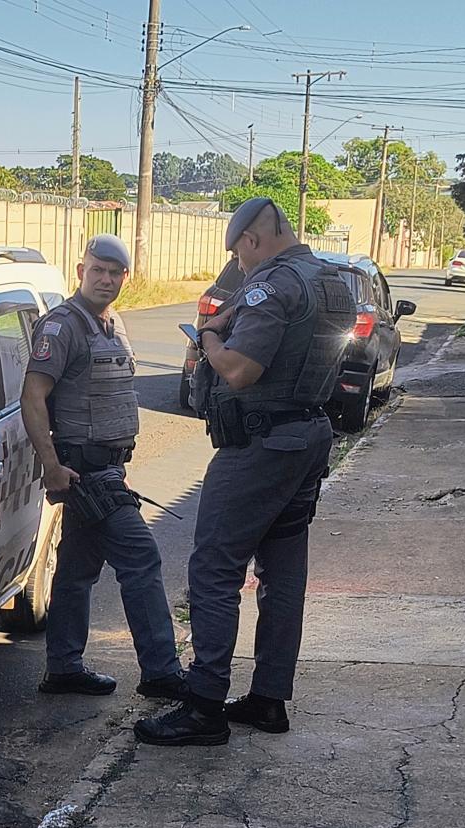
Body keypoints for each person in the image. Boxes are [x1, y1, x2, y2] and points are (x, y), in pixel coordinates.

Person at [135, 197, 354, 747]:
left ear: (252, 241)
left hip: (258, 445)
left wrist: (209, 338)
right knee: (283, 571)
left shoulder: (270, 285)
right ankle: (268, 698)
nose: (239, 265)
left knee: (214, 568)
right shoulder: (331, 280)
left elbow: (240, 370)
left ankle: (204, 706)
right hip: (307, 436)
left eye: (239, 253)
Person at [20, 234, 187, 702]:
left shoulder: (112, 323)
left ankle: (64, 667)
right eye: (98, 270)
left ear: (125, 277)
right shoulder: (62, 327)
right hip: (82, 473)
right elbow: (32, 399)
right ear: (80, 271)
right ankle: (161, 672)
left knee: (76, 570)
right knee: (142, 560)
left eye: (115, 273)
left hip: (105, 472)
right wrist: (51, 466)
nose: (106, 279)